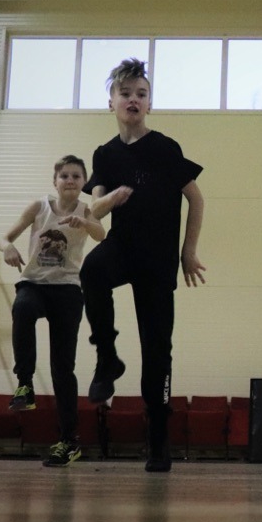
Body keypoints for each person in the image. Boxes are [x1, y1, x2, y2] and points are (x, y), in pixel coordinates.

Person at [80, 58, 207, 473]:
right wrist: (109, 199)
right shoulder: (105, 153)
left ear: (149, 104)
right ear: (111, 102)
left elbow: (196, 198)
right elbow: (94, 211)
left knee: (157, 351)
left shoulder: (165, 148)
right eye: (126, 93)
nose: (133, 99)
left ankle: (158, 440)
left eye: (141, 94)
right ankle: (108, 357)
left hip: (157, 259)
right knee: (91, 270)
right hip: (122, 248)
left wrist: (188, 252)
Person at [0, 154, 105, 468]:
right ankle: (25, 384)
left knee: (62, 368)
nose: (70, 180)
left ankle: (69, 441)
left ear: (84, 182)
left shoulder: (87, 210)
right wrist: (8, 247)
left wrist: (85, 223)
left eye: (76, 176)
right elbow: (4, 237)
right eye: (64, 176)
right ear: (55, 181)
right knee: (23, 308)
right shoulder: (39, 207)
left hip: (67, 289)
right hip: (34, 283)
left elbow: (101, 234)